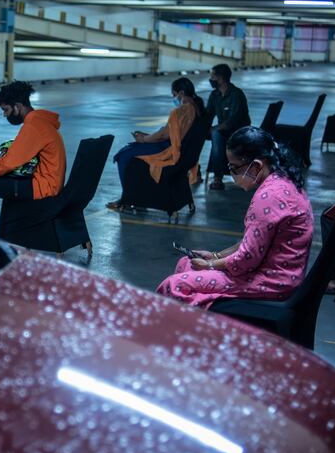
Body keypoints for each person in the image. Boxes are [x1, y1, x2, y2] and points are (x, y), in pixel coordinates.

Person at [157, 127, 313, 309]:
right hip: (280, 275)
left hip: (270, 280)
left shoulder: (269, 197)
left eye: (233, 167)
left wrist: (211, 265)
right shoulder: (282, 181)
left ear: (256, 166)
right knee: (186, 263)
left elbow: (247, 258)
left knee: (174, 285)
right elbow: (252, 242)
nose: (231, 174)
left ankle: (188, 331)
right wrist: (215, 256)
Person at [0, 81, 66, 233]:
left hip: (43, 188)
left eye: (6, 109)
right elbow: (20, 157)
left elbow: (10, 162)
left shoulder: (33, 126)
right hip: (49, 182)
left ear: (18, 106)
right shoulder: (41, 121)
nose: (4, 115)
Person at [107, 77, 206, 210]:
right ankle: (132, 197)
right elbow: (171, 133)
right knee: (132, 149)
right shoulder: (198, 107)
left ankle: (127, 198)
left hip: (169, 151)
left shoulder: (181, 111)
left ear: (181, 93)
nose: (174, 98)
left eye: (174, 95)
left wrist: (143, 139)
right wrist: (149, 137)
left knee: (124, 155)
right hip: (186, 154)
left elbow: (164, 135)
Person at [205, 63, 251, 190]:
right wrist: (201, 128)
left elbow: (233, 121)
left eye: (212, 77)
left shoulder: (236, 94)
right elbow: (208, 115)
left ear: (220, 78)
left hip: (238, 131)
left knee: (216, 135)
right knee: (196, 134)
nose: (211, 80)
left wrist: (214, 129)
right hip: (222, 130)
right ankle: (193, 171)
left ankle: (217, 178)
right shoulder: (214, 95)